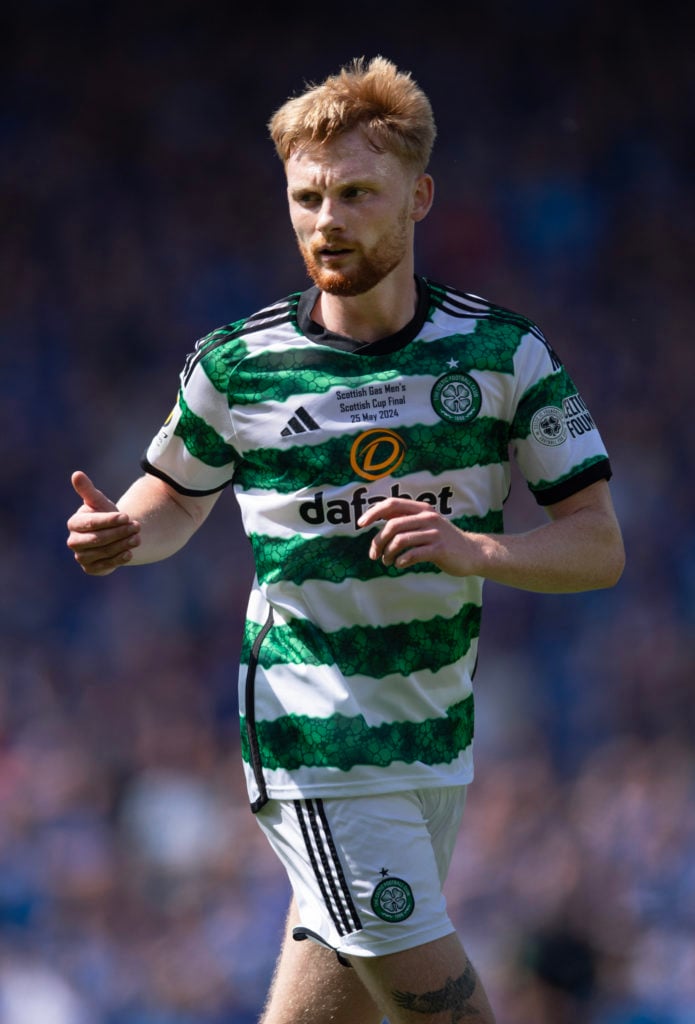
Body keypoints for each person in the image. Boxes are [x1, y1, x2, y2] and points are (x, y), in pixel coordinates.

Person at [66, 55, 625, 1024]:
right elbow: (173, 495)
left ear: (418, 197)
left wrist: (476, 550)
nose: (326, 219)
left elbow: (596, 544)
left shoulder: (502, 358)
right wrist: (124, 530)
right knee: (443, 1013)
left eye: (355, 192)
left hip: (434, 735)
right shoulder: (239, 365)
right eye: (306, 196)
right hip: (312, 736)